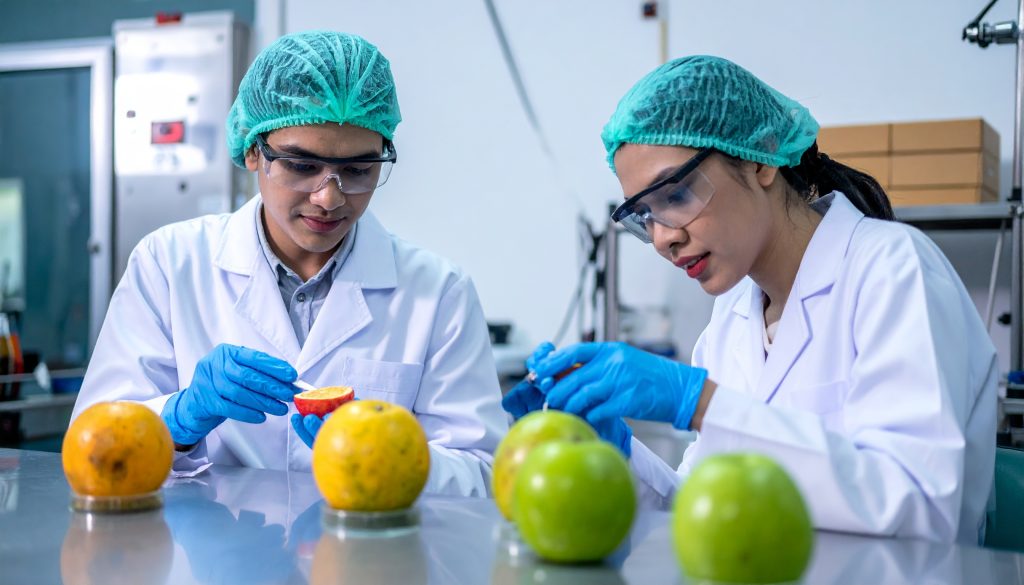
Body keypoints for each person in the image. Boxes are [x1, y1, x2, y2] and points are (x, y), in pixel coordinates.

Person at [503, 55, 997, 543]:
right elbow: (707, 508)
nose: (661, 239)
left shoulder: (893, 270)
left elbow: (922, 507)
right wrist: (612, 450)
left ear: (759, 159)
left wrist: (699, 402)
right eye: (644, 215)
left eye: (674, 195)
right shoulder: (732, 317)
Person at [73, 31, 506, 496]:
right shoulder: (168, 263)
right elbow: (93, 447)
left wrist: (394, 458)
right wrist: (179, 418)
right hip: (212, 562)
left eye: (359, 170)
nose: (329, 197)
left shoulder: (439, 291)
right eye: (302, 166)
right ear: (253, 151)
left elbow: (481, 471)